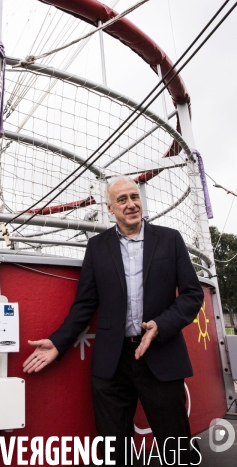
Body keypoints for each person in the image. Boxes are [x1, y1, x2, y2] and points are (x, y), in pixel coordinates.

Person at [23, 175, 204, 464]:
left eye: (134, 197)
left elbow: (193, 295)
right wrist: (58, 343)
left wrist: (161, 324)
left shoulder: (170, 239)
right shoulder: (97, 247)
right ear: (110, 208)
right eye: (122, 200)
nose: (131, 204)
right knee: (113, 451)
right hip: (112, 363)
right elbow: (85, 304)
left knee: (176, 448)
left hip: (161, 355)